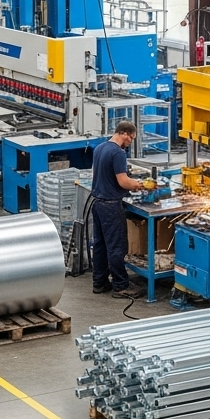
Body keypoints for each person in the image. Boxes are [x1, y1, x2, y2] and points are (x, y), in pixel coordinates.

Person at [91, 121, 150, 299]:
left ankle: (99, 283)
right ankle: (121, 286)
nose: (130, 142)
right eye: (131, 138)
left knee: (100, 245)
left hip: (97, 203)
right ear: (125, 133)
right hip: (111, 206)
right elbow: (123, 182)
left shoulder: (100, 148)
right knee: (116, 246)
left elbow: (99, 174)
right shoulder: (118, 153)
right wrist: (140, 185)